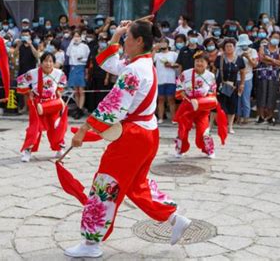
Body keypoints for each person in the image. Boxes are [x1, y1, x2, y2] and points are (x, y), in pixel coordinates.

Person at [65, 19, 191, 258]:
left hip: (132, 137)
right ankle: (174, 218)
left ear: (139, 41)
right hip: (148, 133)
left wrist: (84, 129)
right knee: (136, 185)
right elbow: (108, 63)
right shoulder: (143, 62)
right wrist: (117, 34)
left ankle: (90, 243)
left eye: (127, 38)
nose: (124, 41)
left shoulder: (134, 69)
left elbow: (112, 107)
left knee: (106, 185)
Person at [17, 52, 67, 162]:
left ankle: (59, 149)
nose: (48, 64)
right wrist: (28, 91)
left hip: (52, 103)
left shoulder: (59, 73)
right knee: (35, 127)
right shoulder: (33, 73)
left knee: (56, 126)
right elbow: (21, 80)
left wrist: (59, 91)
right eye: (45, 61)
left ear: (53, 63)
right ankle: (27, 151)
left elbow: (62, 83)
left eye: (50, 61)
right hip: (37, 102)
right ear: (41, 62)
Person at [174, 51, 222, 158]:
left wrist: (204, 101)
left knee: (203, 130)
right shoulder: (185, 73)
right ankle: (180, 149)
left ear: (207, 63)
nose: (199, 63)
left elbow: (212, 92)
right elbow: (179, 87)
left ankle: (208, 149)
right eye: (197, 61)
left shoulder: (211, 76)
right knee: (183, 129)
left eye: (202, 61)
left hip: (202, 106)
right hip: (187, 104)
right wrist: (183, 93)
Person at [215, 38, 246, 134]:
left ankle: (230, 126)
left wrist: (242, 83)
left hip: (233, 86)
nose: (229, 48)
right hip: (221, 85)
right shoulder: (219, 58)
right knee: (220, 106)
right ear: (224, 48)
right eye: (227, 46)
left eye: (230, 46)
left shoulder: (239, 59)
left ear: (234, 47)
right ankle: (221, 125)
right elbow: (213, 70)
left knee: (232, 106)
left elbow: (243, 72)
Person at [256, 32, 280, 124]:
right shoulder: (263, 47)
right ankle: (260, 116)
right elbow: (261, 59)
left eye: (278, 38)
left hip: (274, 75)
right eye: (274, 37)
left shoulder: (279, 50)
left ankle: (270, 116)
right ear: (270, 38)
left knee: (272, 95)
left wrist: (270, 59)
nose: (276, 39)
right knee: (262, 94)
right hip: (263, 74)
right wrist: (275, 61)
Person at [236, 34, 259, 124]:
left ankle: (246, 117)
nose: (243, 46)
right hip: (237, 76)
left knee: (246, 97)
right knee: (237, 98)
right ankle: (238, 116)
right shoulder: (236, 51)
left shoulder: (253, 51)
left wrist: (248, 57)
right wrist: (240, 57)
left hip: (248, 76)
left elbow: (254, 64)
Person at [154, 38, 178, 124]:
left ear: (168, 44)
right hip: (160, 80)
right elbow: (151, 60)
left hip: (171, 79)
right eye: (161, 42)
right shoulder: (157, 55)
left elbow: (178, 64)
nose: (163, 44)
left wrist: (171, 65)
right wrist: (154, 49)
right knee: (160, 99)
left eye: (164, 42)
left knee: (171, 99)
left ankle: (174, 118)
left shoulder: (173, 54)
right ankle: (160, 118)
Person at [86, 33, 113, 111]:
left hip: (103, 75)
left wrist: (107, 77)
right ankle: (94, 109)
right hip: (94, 74)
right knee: (94, 94)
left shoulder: (108, 51)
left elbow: (110, 64)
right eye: (101, 40)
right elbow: (90, 61)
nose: (102, 42)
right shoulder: (94, 49)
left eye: (104, 41)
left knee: (102, 94)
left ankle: (103, 109)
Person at [67, 31, 90, 119]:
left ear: (81, 37)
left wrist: (82, 59)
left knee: (81, 90)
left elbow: (88, 58)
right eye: (74, 36)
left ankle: (80, 109)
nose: (76, 38)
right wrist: (71, 42)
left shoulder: (85, 46)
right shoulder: (71, 46)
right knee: (76, 90)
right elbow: (68, 54)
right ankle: (78, 108)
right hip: (73, 67)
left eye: (78, 36)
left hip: (81, 67)